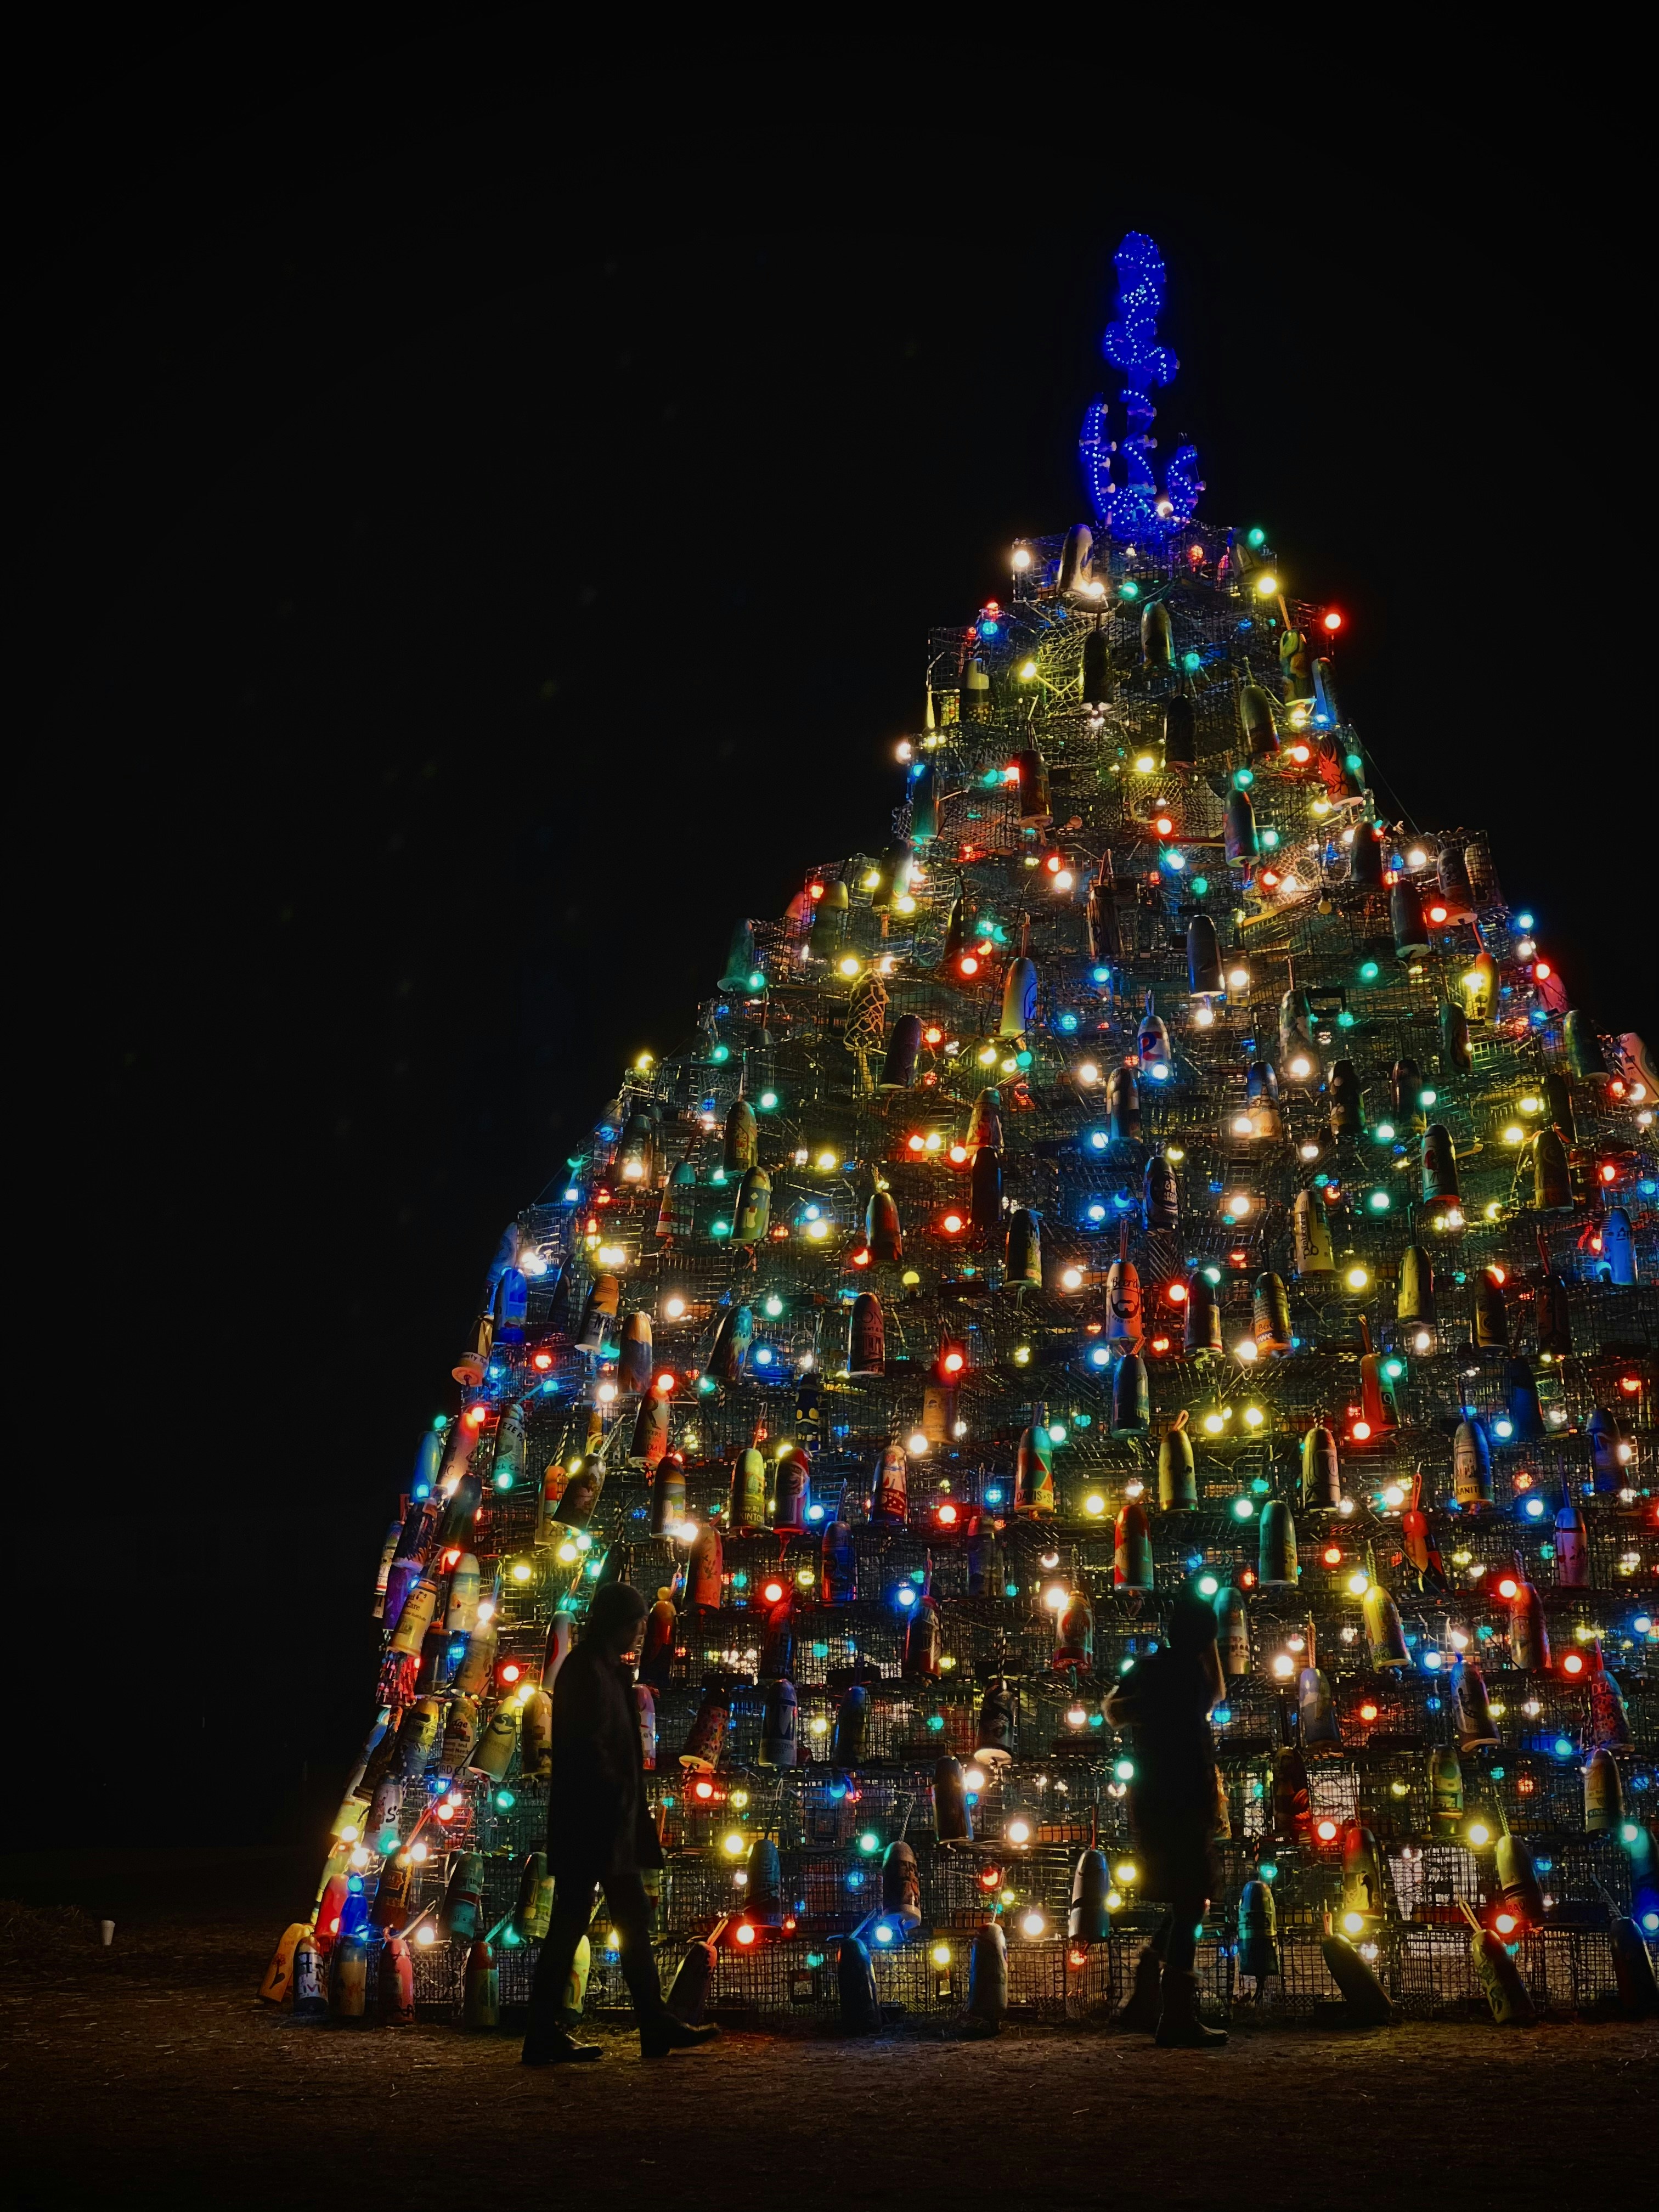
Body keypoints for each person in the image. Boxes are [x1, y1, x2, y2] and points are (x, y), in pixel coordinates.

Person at [522, 1581, 719, 2063]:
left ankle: (643, 2024)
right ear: (618, 1624)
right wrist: (617, 1803)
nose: (639, 1634)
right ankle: (635, 2025)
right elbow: (594, 1749)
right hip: (596, 1821)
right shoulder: (589, 1671)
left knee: (603, 1920)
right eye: (636, 1625)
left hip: (604, 1820)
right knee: (588, 1922)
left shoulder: (601, 1670)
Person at [1102, 1588, 1228, 2047]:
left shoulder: (1149, 1669)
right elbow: (1216, 1694)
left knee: (1185, 1897)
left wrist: (1147, 1709)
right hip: (1188, 1798)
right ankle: (1174, 2012)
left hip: (1153, 1799)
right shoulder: (1195, 1675)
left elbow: (1113, 1711)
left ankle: (1148, 1987)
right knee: (1193, 1899)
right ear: (1206, 1639)